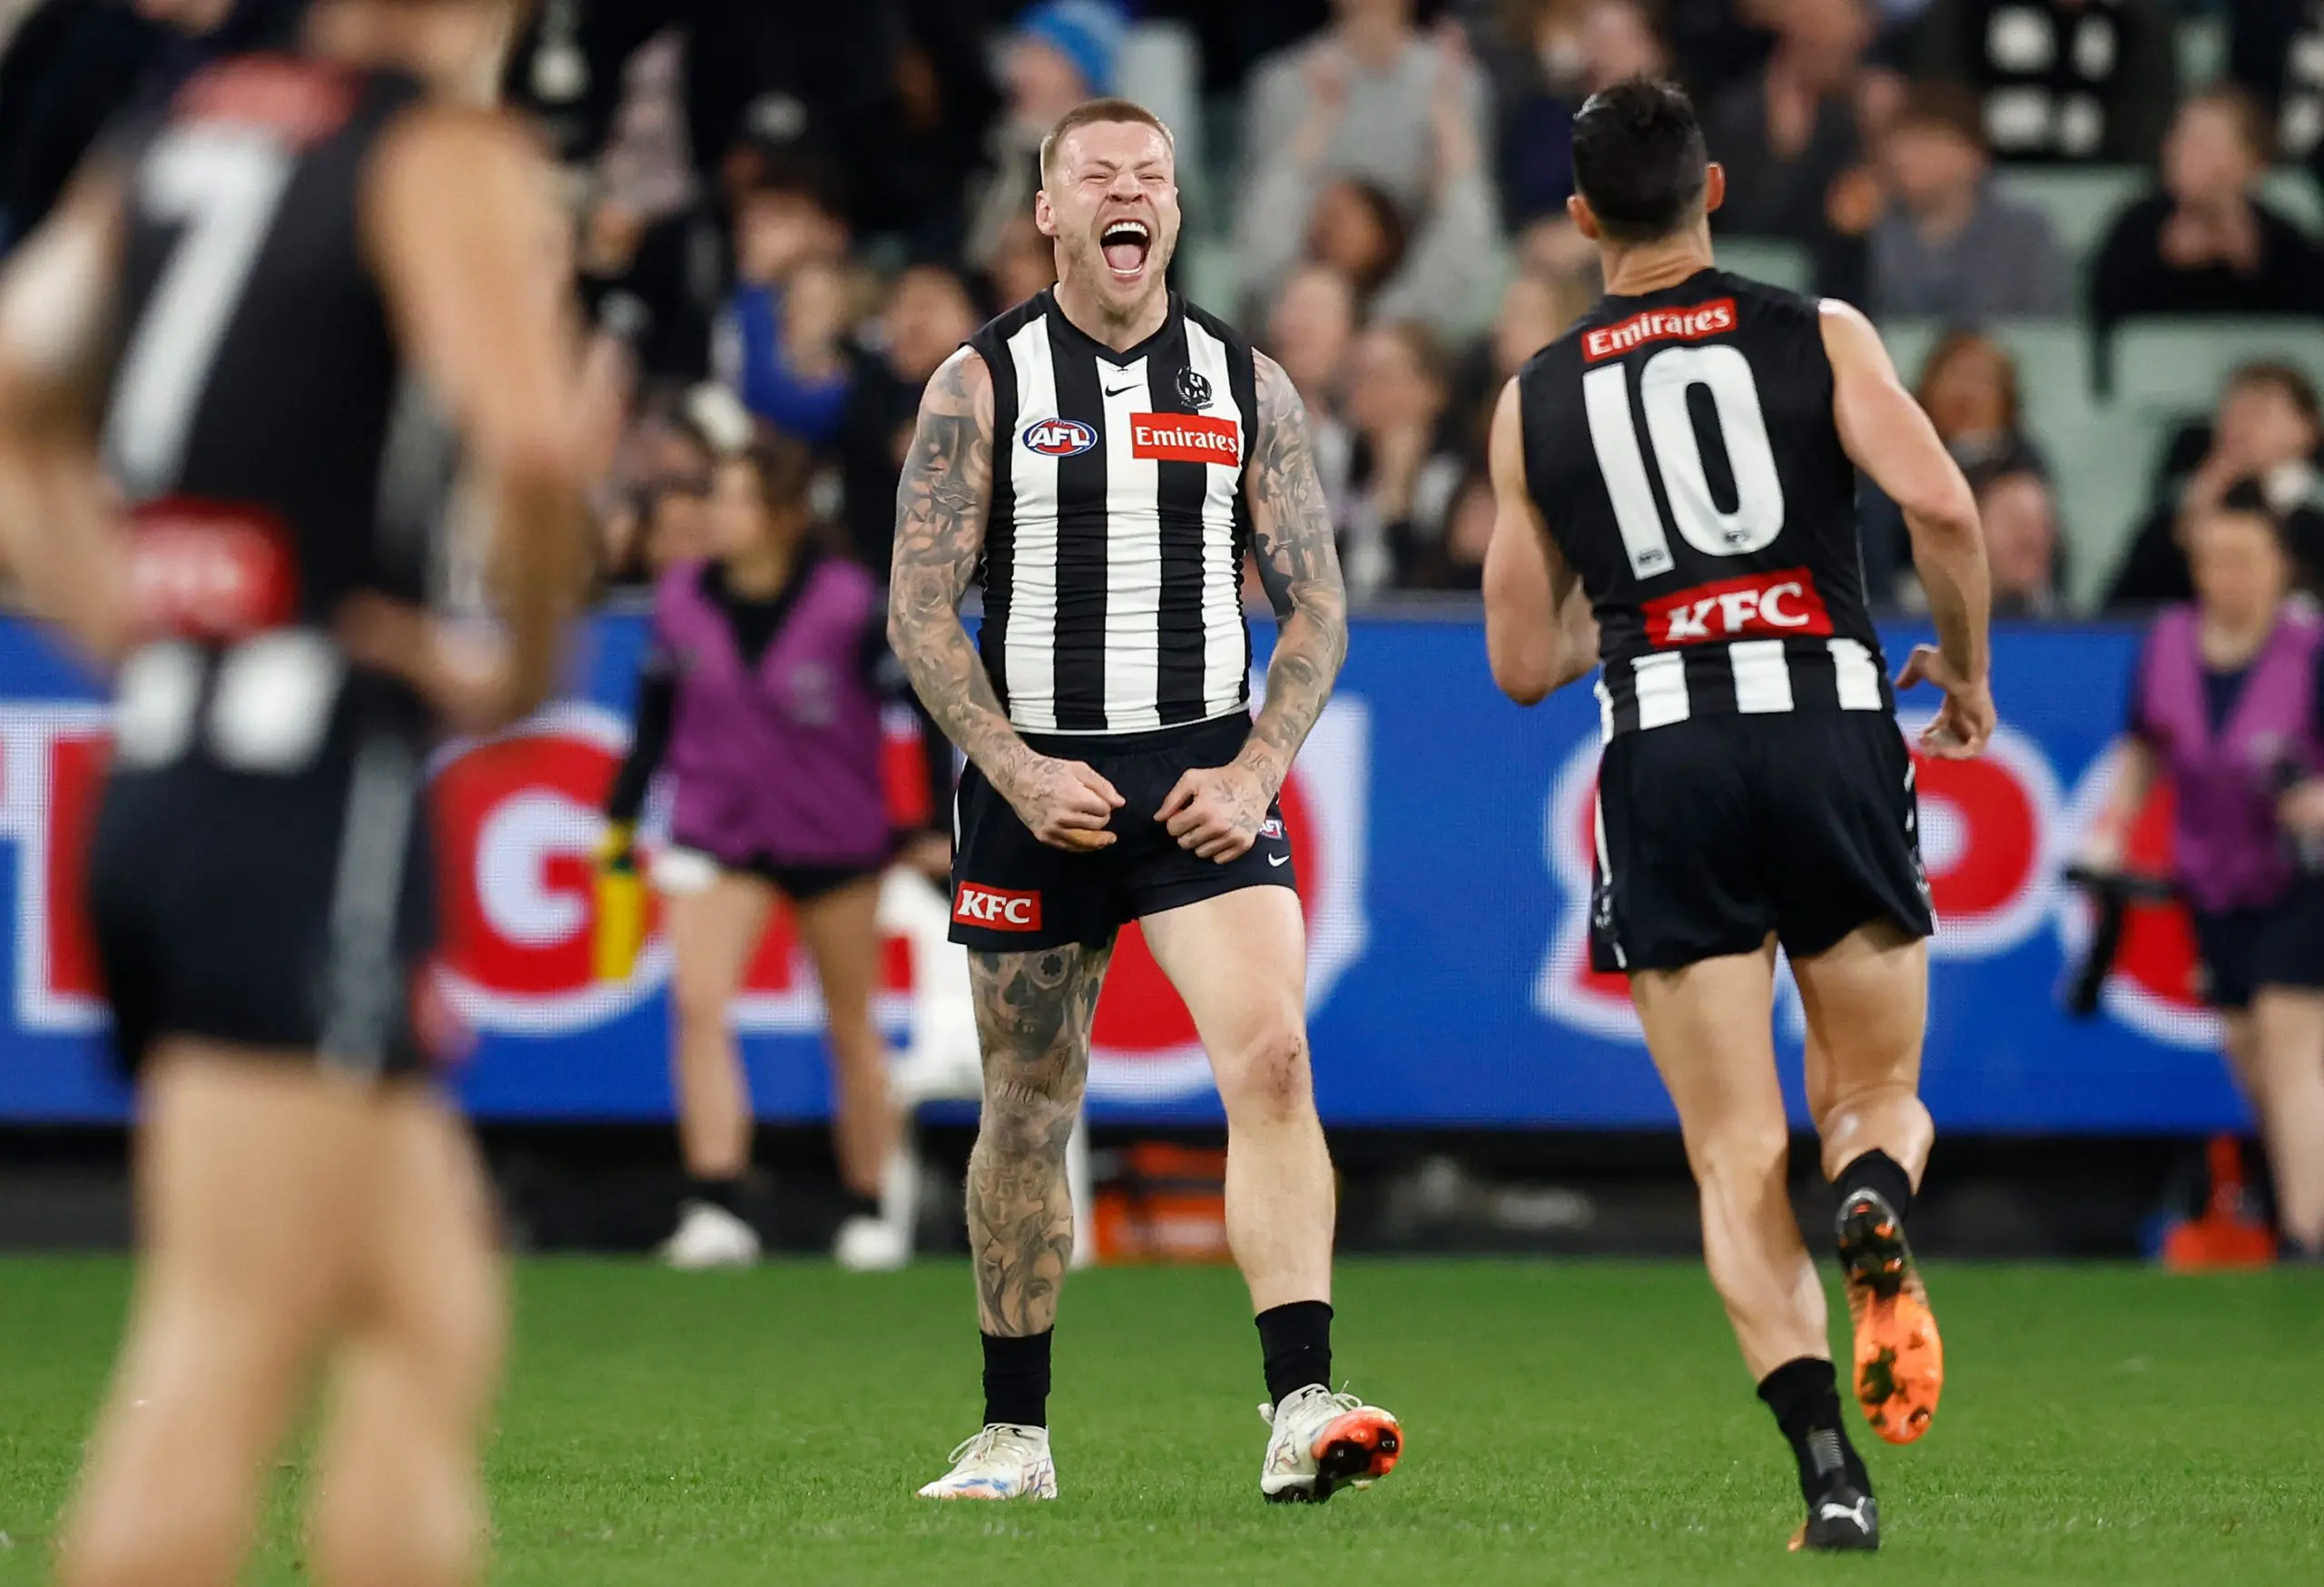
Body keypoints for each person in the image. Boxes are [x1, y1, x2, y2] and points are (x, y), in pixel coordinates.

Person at [0, 1, 600, 1582]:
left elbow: (11, 386)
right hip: (308, 787)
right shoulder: (434, 150)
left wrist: (133, 622)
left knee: (428, 1309)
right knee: (228, 1337)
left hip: (180, 772)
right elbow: (533, 449)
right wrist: (518, 669)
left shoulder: (174, 131)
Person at [1482, 78, 1993, 1552]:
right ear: (1713, 189)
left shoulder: (1535, 396)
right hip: (1830, 724)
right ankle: (1876, 1198)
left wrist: (1645, 617)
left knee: (1729, 1150)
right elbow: (1945, 511)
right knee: (1872, 1094)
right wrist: (1961, 677)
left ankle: (1830, 1474)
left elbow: (1521, 662)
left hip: (1665, 752)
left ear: (1582, 218)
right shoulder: (1819, 330)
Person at [889, 97, 1403, 1503]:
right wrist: (1013, 767)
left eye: (1154, 177)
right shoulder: (980, 384)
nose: (1131, 194)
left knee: (1276, 1063)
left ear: (1175, 212)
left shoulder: (1248, 384)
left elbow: (1316, 607)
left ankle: (1303, 1402)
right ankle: (1014, 1434)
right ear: (1048, 213)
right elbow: (922, 609)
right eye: (1098, 175)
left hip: (1196, 782)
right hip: (1034, 787)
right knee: (1027, 1107)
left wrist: (1251, 773)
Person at [600, 409, 945, 1272]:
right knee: (698, 1005)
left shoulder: (850, 603)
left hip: (837, 840)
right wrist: (618, 815)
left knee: (850, 1023)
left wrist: (933, 824)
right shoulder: (681, 598)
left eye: (734, 499)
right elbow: (653, 717)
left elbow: (926, 711)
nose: (714, 515)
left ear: (782, 513)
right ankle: (716, 1200)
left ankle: (869, 1206)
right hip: (719, 833)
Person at [2079, 484, 2324, 1258]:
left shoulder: (2310, 652)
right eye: (2214, 559)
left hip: (2303, 876)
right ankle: (2300, 1201)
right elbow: (2145, 744)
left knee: (2289, 1039)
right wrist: (2113, 826)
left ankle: (2308, 1234)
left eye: (2246, 559)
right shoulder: (2169, 643)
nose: (2229, 576)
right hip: (2214, 875)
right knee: (2250, 1047)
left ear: (2280, 567)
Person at [1237, 15, 1499, 338]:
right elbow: (1263, 233)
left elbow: (1465, 238)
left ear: (1384, 242)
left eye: (1348, 217)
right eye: (1326, 214)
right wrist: (1320, 118)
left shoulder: (1404, 316)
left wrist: (1446, 113)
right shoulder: (1283, 295)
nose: (1330, 223)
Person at [2090, 89, 2324, 336]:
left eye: (2202, 144)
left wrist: (2252, 264)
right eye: (2178, 137)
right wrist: (2165, 259)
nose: (2181, 152)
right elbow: (2105, 318)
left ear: (2252, 163)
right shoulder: (2137, 228)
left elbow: (2306, 329)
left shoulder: (2283, 242)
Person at [2105, 363, 2324, 610]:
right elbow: (2123, 607)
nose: (2243, 426)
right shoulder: (2175, 515)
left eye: (2260, 412)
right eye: (2232, 411)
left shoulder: (2314, 516)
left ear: (2306, 429)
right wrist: (2195, 510)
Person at [1866, 82, 2070, 319]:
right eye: (1897, 143)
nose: (1902, 157)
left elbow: (2047, 332)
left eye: (1925, 142)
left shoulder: (2026, 233)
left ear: (1973, 155)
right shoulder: (1869, 229)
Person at [1909, 0, 2177, 164]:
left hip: (2103, 184)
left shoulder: (2137, 24)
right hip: (1984, 191)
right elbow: (1938, 106)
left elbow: (2151, 125)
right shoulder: (1964, 14)